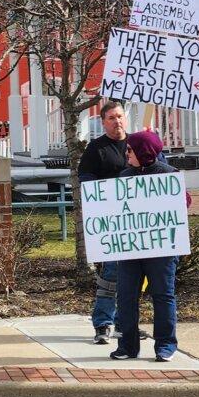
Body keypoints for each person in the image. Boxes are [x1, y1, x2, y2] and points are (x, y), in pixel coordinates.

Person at [110, 130, 183, 362]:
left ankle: (165, 345)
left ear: (144, 151)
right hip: (131, 248)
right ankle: (127, 346)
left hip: (161, 249)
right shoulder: (124, 176)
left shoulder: (169, 174)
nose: (126, 153)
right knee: (126, 296)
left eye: (130, 149)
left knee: (163, 295)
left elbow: (184, 202)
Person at [79, 101, 147, 345]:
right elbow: (86, 181)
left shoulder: (138, 145)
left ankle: (126, 324)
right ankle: (102, 323)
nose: (117, 121)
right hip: (112, 222)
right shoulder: (96, 149)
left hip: (138, 222)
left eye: (120, 116)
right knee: (110, 275)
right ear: (102, 121)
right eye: (111, 118)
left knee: (134, 278)